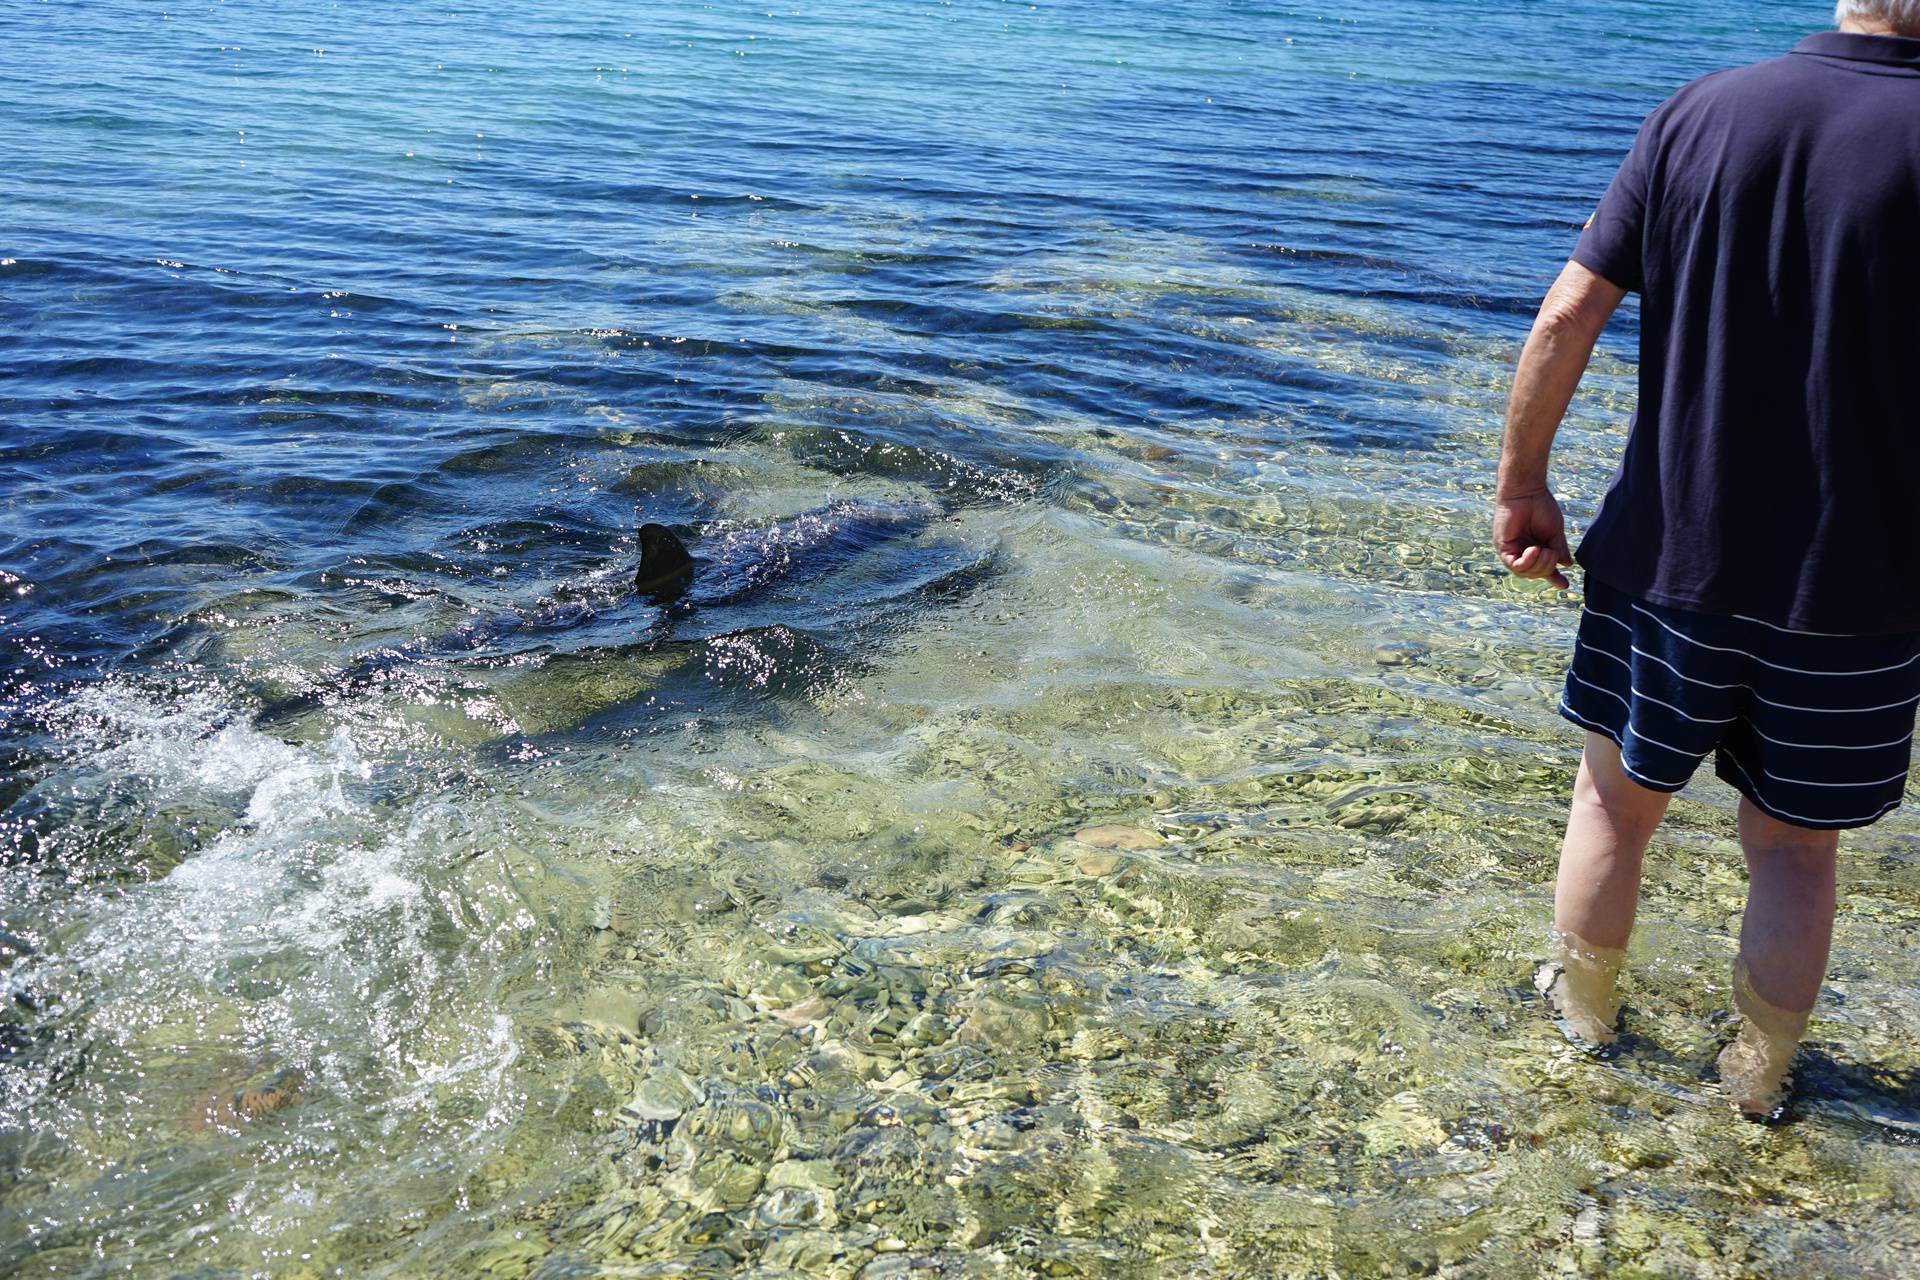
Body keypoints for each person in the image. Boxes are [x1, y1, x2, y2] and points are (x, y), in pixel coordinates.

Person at [1494, 1, 1920, 1116]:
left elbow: (1568, 314)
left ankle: (1581, 1022)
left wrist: (1523, 482)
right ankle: (1759, 1079)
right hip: (1863, 587)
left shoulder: (1701, 111)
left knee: (1614, 804)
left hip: (1668, 555)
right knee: (1795, 850)